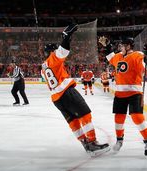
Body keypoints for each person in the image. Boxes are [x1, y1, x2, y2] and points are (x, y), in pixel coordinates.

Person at [41, 24, 110, 156]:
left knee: (73, 121)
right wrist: (66, 37)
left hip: (56, 100)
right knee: (85, 115)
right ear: (51, 51)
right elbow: (63, 51)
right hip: (66, 93)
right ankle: (93, 142)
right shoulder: (52, 58)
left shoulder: (43, 67)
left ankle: (85, 143)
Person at [99, 36, 147, 158]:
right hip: (120, 93)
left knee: (137, 116)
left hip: (134, 92)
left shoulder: (137, 55)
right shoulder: (118, 56)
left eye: (122, 45)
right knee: (119, 118)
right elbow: (110, 57)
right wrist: (107, 46)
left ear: (128, 46)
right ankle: (119, 140)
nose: (120, 47)